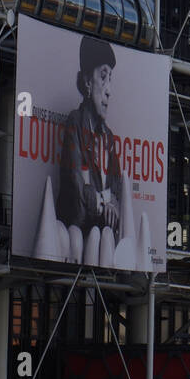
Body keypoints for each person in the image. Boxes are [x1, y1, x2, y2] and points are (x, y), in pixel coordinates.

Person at [57, 36, 124, 245]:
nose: (108, 90)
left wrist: (109, 201)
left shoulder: (109, 137)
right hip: (74, 231)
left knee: (103, 239)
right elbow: (76, 182)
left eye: (110, 78)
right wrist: (105, 200)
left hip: (102, 234)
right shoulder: (75, 122)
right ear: (87, 81)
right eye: (103, 77)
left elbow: (117, 189)